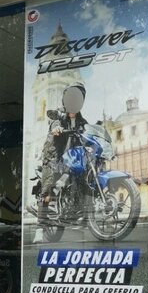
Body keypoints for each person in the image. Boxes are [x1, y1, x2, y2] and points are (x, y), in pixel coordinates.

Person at [38, 83, 88, 222]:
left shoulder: (82, 121)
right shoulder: (59, 114)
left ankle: (76, 208)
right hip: (54, 154)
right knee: (48, 187)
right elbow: (54, 123)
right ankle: (41, 223)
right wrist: (57, 129)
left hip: (71, 156)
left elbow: (88, 134)